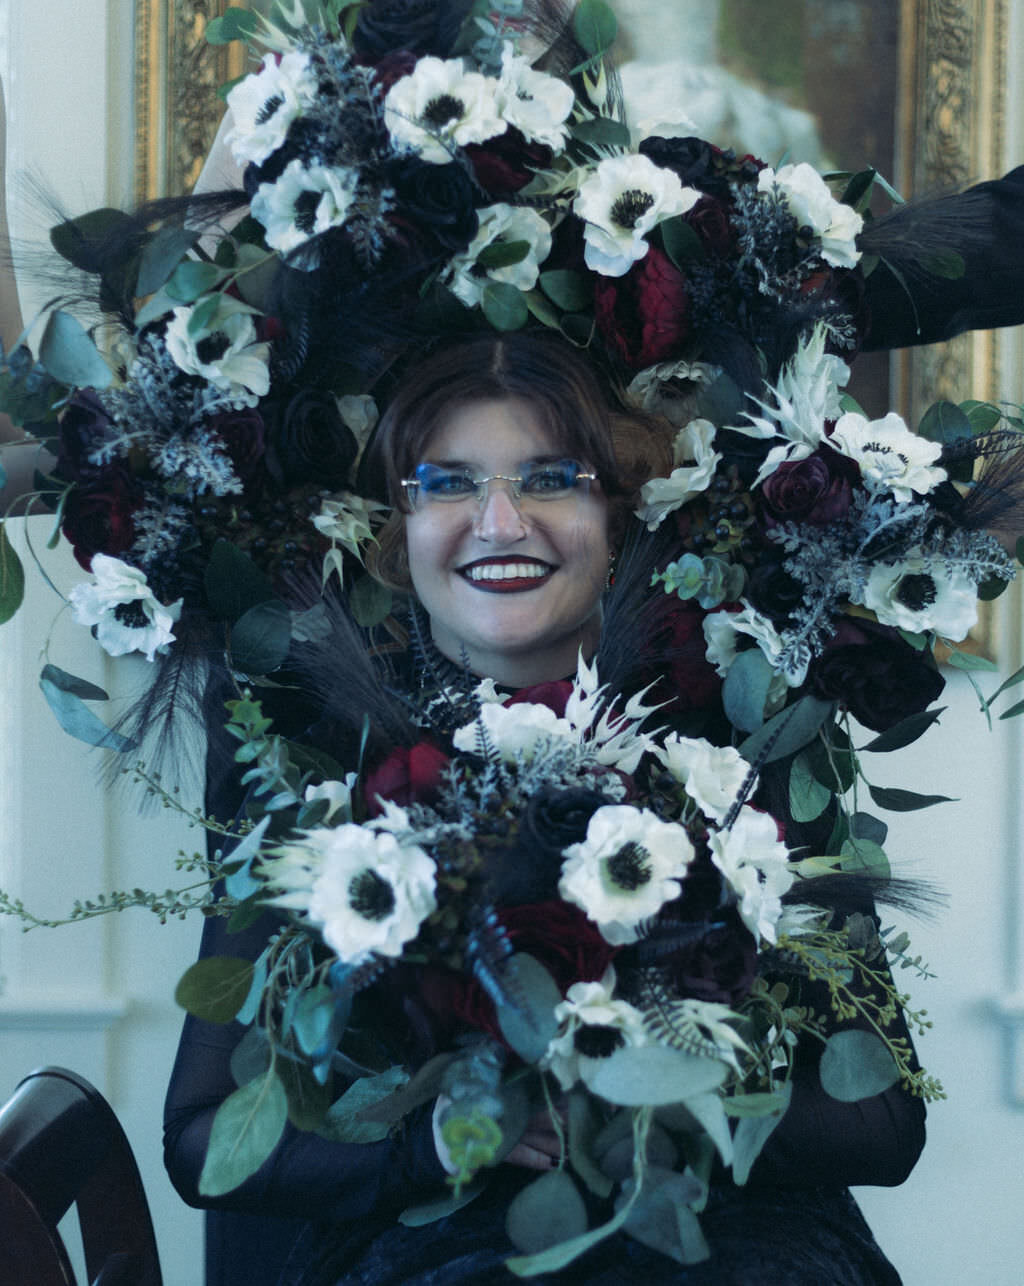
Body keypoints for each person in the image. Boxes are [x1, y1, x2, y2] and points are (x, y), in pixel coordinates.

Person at [164, 330, 926, 1286]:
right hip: (429, 1243)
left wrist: (641, 1108)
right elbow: (199, 1142)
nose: (498, 520)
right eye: (447, 483)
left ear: (615, 515)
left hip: (734, 1240)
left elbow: (885, 1123)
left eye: (550, 479)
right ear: (397, 535)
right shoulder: (308, 741)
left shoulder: (743, 728)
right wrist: (433, 1141)